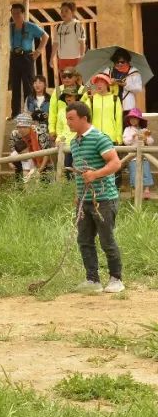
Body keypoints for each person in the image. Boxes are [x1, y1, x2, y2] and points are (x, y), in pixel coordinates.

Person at [66, 101, 123, 294]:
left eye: (71, 119)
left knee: (107, 239)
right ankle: (93, 279)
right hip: (84, 200)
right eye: (67, 119)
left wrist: (96, 174)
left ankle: (116, 278)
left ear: (84, 118)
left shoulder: (100, 138)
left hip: (104, 199)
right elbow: (80, 170)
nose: (68, 123)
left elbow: (115, 163)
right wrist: (78, 193)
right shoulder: (74, 142)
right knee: (84, 240)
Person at [7, 3, 49, 117]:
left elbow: (45, 36)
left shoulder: (30, 26)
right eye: (13, 13)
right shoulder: (9, 27)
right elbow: (0, 39)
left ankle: (30, 112)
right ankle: (15, 114)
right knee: (15, 86)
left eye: (18, 13)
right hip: (14, 57)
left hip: (26, 57)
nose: (15, 15)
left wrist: (38, 51)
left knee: (28, 86)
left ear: (23, 13)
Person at [53, 0, 87, 84]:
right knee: (65, 83)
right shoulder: (58, 27)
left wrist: (82, 56)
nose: (63, 13)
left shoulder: (77, 25)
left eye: (66, 11)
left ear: (72, 12)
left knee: (77, 83)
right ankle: (66, 97)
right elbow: (55, 43)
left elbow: (82, 42)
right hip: (62, 59)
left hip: (75, 58)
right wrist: (51, 58)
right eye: (62, 11)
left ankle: (80, 97)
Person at [123, 109, 153, 200]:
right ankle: (134, 190)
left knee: (146, 171)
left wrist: (145, 139)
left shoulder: (144, 130)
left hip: (144, 156)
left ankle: (146, 190)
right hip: (132, 156)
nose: (133, 120)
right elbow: (126, 141)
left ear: (139, 120)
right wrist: (133, 136)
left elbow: (151, 141)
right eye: (131, 119)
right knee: (133, 173)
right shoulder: (127, 130)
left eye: (135, 119)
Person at [8, 114, 48, 181]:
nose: (21, 129)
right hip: (23, 161)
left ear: (29, 127)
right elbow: (14, 151)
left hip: (40, 160)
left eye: (24, 127)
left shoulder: (40, 133)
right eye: (19, 127)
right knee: (23, 179)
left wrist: (40, 170)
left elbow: (46, 152)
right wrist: (9, 162)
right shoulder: (15, 134)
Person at [85, 73, 122, 144]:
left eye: (101, 82)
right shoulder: (91, 99)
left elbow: (119, 119)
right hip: (93, 138)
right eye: (96, 82)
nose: (98, 84)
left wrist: (119, 137)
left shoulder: (115, 99)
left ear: (107, 84)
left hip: (111, 138)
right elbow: (83, 116)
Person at [107, 48, 144, 112]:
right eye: (117, 62)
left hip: (127, 106)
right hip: (112, 104)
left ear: (127, 61)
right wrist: (108, 83)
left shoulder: (133, 72)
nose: (120, 64)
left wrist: (125, 85)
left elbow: (138, 88)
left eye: (122, 62)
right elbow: (102, 84)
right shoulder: (109, 71)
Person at [25, 75, 53, 150]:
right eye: (35, 83)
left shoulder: (50, 99)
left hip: (46, 128)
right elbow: (26, 114)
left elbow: (51, 115)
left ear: (44, 85)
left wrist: (40, 115)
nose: (37, 85)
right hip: (32, 127)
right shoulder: (29, 99)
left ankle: (44, 160)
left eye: (40, 82)